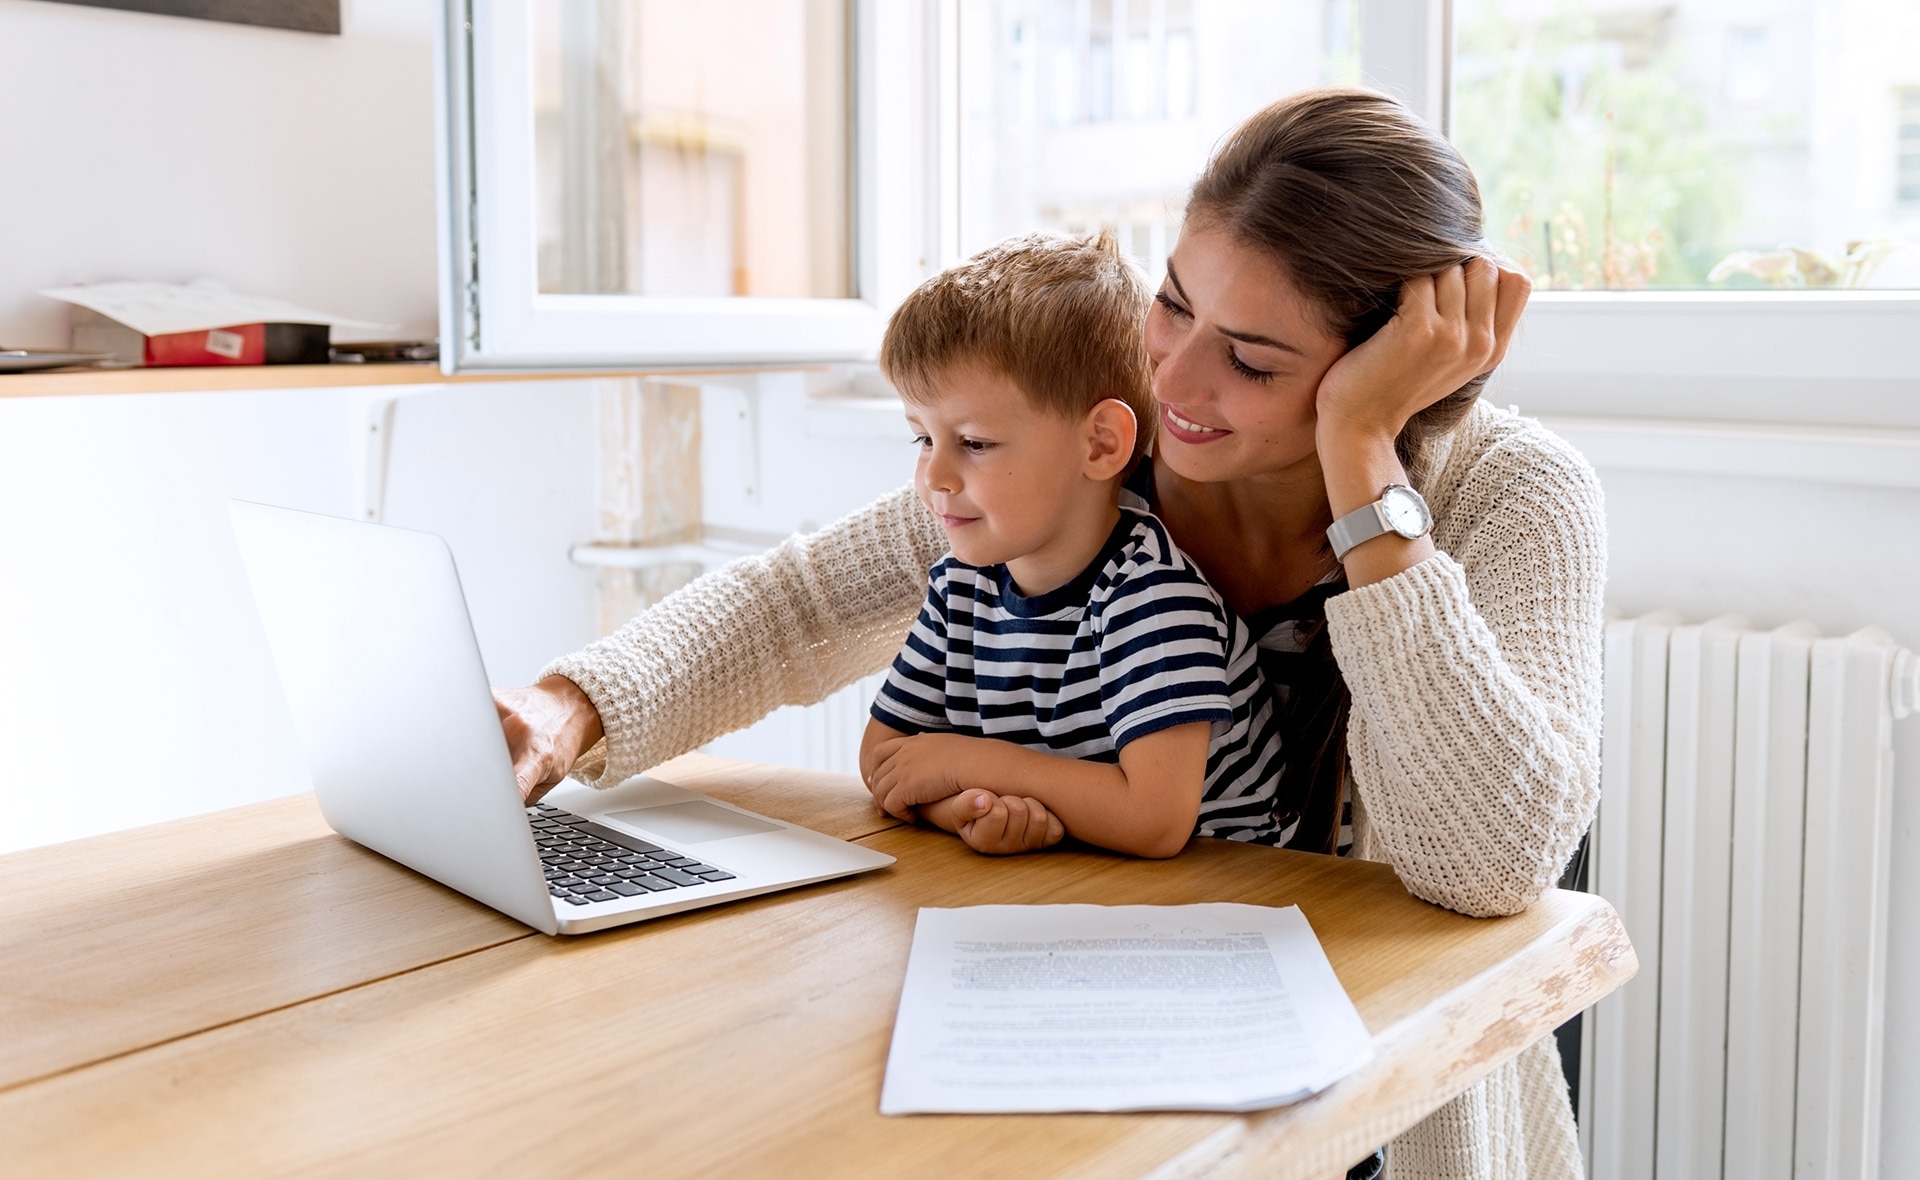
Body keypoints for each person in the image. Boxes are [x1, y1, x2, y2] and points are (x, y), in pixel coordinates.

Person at [494, 87, 1604, 1180]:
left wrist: (1362, 453)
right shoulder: (1104, 449)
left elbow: (1489, 865)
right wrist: (564, 711)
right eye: (1173, 306)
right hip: (1102, 1043)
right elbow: (803, 604)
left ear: (1391, 370)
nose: (1173, 379)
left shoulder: (1513, 496)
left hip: (1373, 1115)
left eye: (1254, 362)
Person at [860, 229, 1287, 858]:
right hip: (1084, 889)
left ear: (1100, 445)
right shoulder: (960, 588)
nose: (934, 477)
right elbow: (887, 759)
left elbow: (1154, 820)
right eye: (922, 438)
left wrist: (967, 761)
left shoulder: (1154, 600)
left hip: (1229, 902)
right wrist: (964, 806)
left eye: (974, 443)